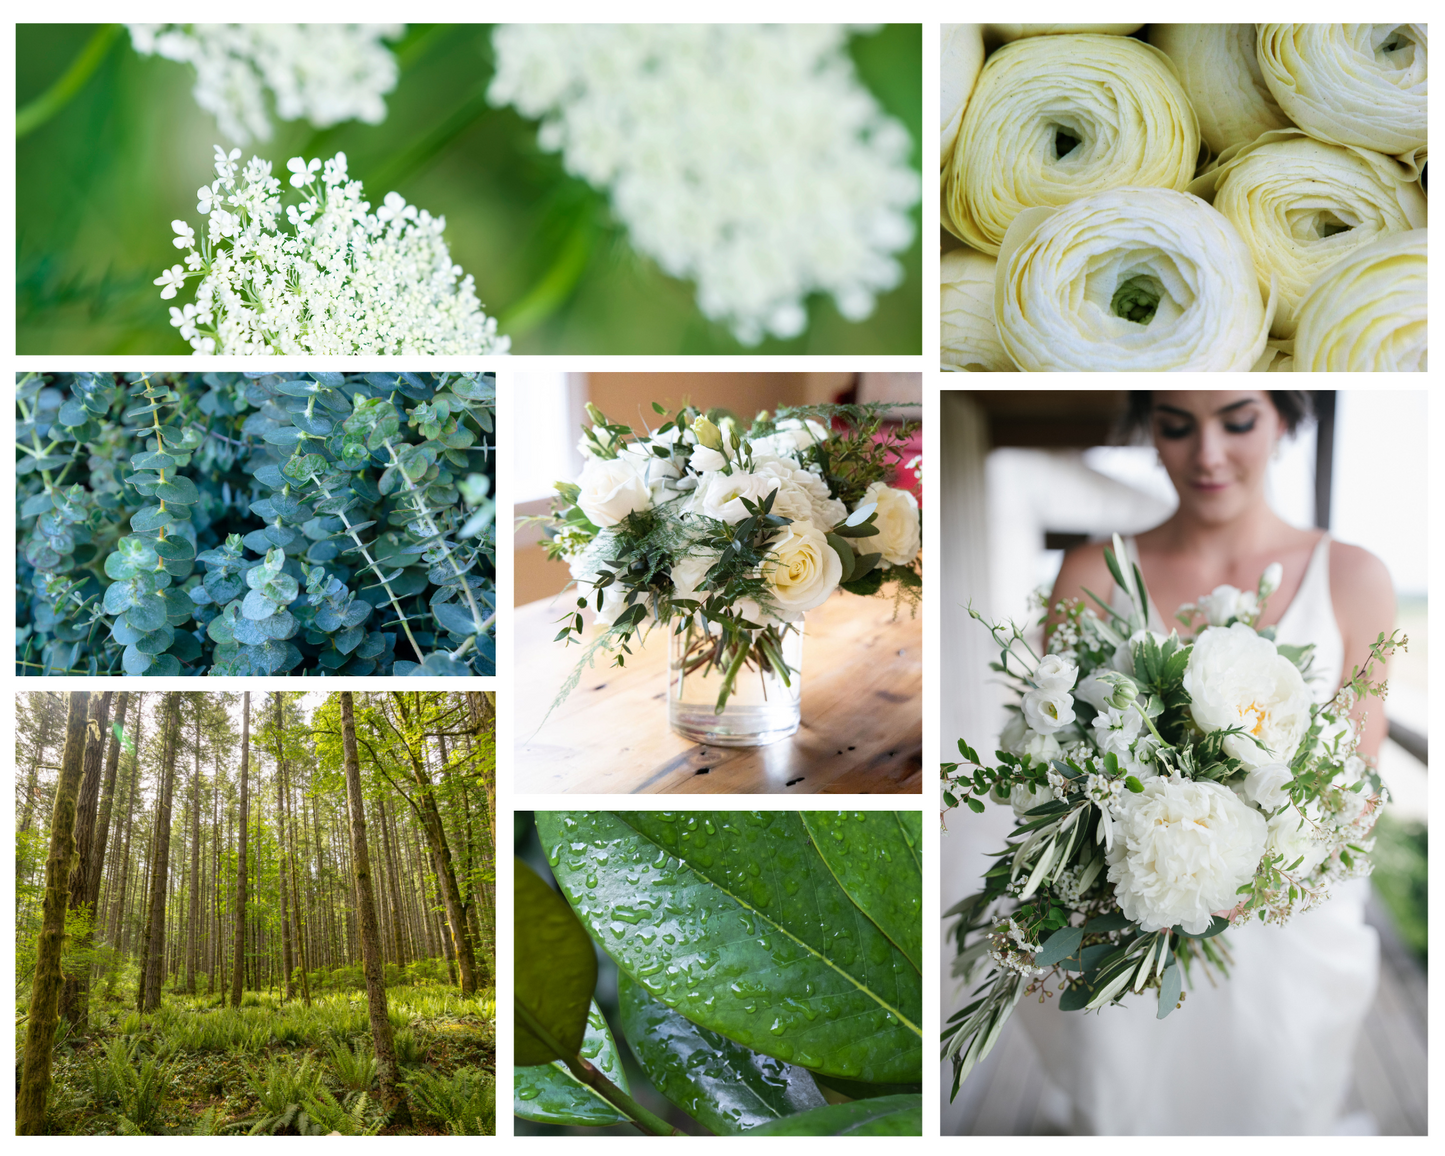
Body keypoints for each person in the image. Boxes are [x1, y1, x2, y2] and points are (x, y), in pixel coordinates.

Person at [1019, 389, 1396, 1135]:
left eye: (1238, 419)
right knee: (1126, 1105)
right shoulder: (1090, 574)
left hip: (1285, 939)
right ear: (1148, 432)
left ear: (1286, 418)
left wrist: (1246, 881)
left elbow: (1355, 782)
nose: (1208, 454)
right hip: (1129, 923)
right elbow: (1049, 765)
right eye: (1176, 426)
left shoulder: (1352, 577)